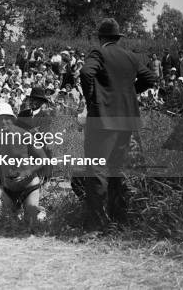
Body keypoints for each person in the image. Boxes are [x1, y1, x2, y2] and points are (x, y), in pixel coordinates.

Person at [77, 18, 156, 231]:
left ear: (101, 37)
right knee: (116, 169)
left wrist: (93, 99)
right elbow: (150, 78)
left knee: (97, 170)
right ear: (117, 37)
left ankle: (96, 226)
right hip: (127, 120)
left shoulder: (99, 53)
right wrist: (128, 94)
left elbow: (85, 73)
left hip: (103, 120)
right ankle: (118, 221)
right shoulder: (130, 56)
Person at [0, 103, 47, 226]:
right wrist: (3, 184)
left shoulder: (25, 135)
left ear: (12, 119)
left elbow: (43, 158)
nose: (3, 122)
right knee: (8, 225)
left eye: (6, 118)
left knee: (30, 224)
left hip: (29, 186)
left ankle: (40, 213)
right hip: (9, 188)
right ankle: (30, 211)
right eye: (0, 119)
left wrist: (27, 172)